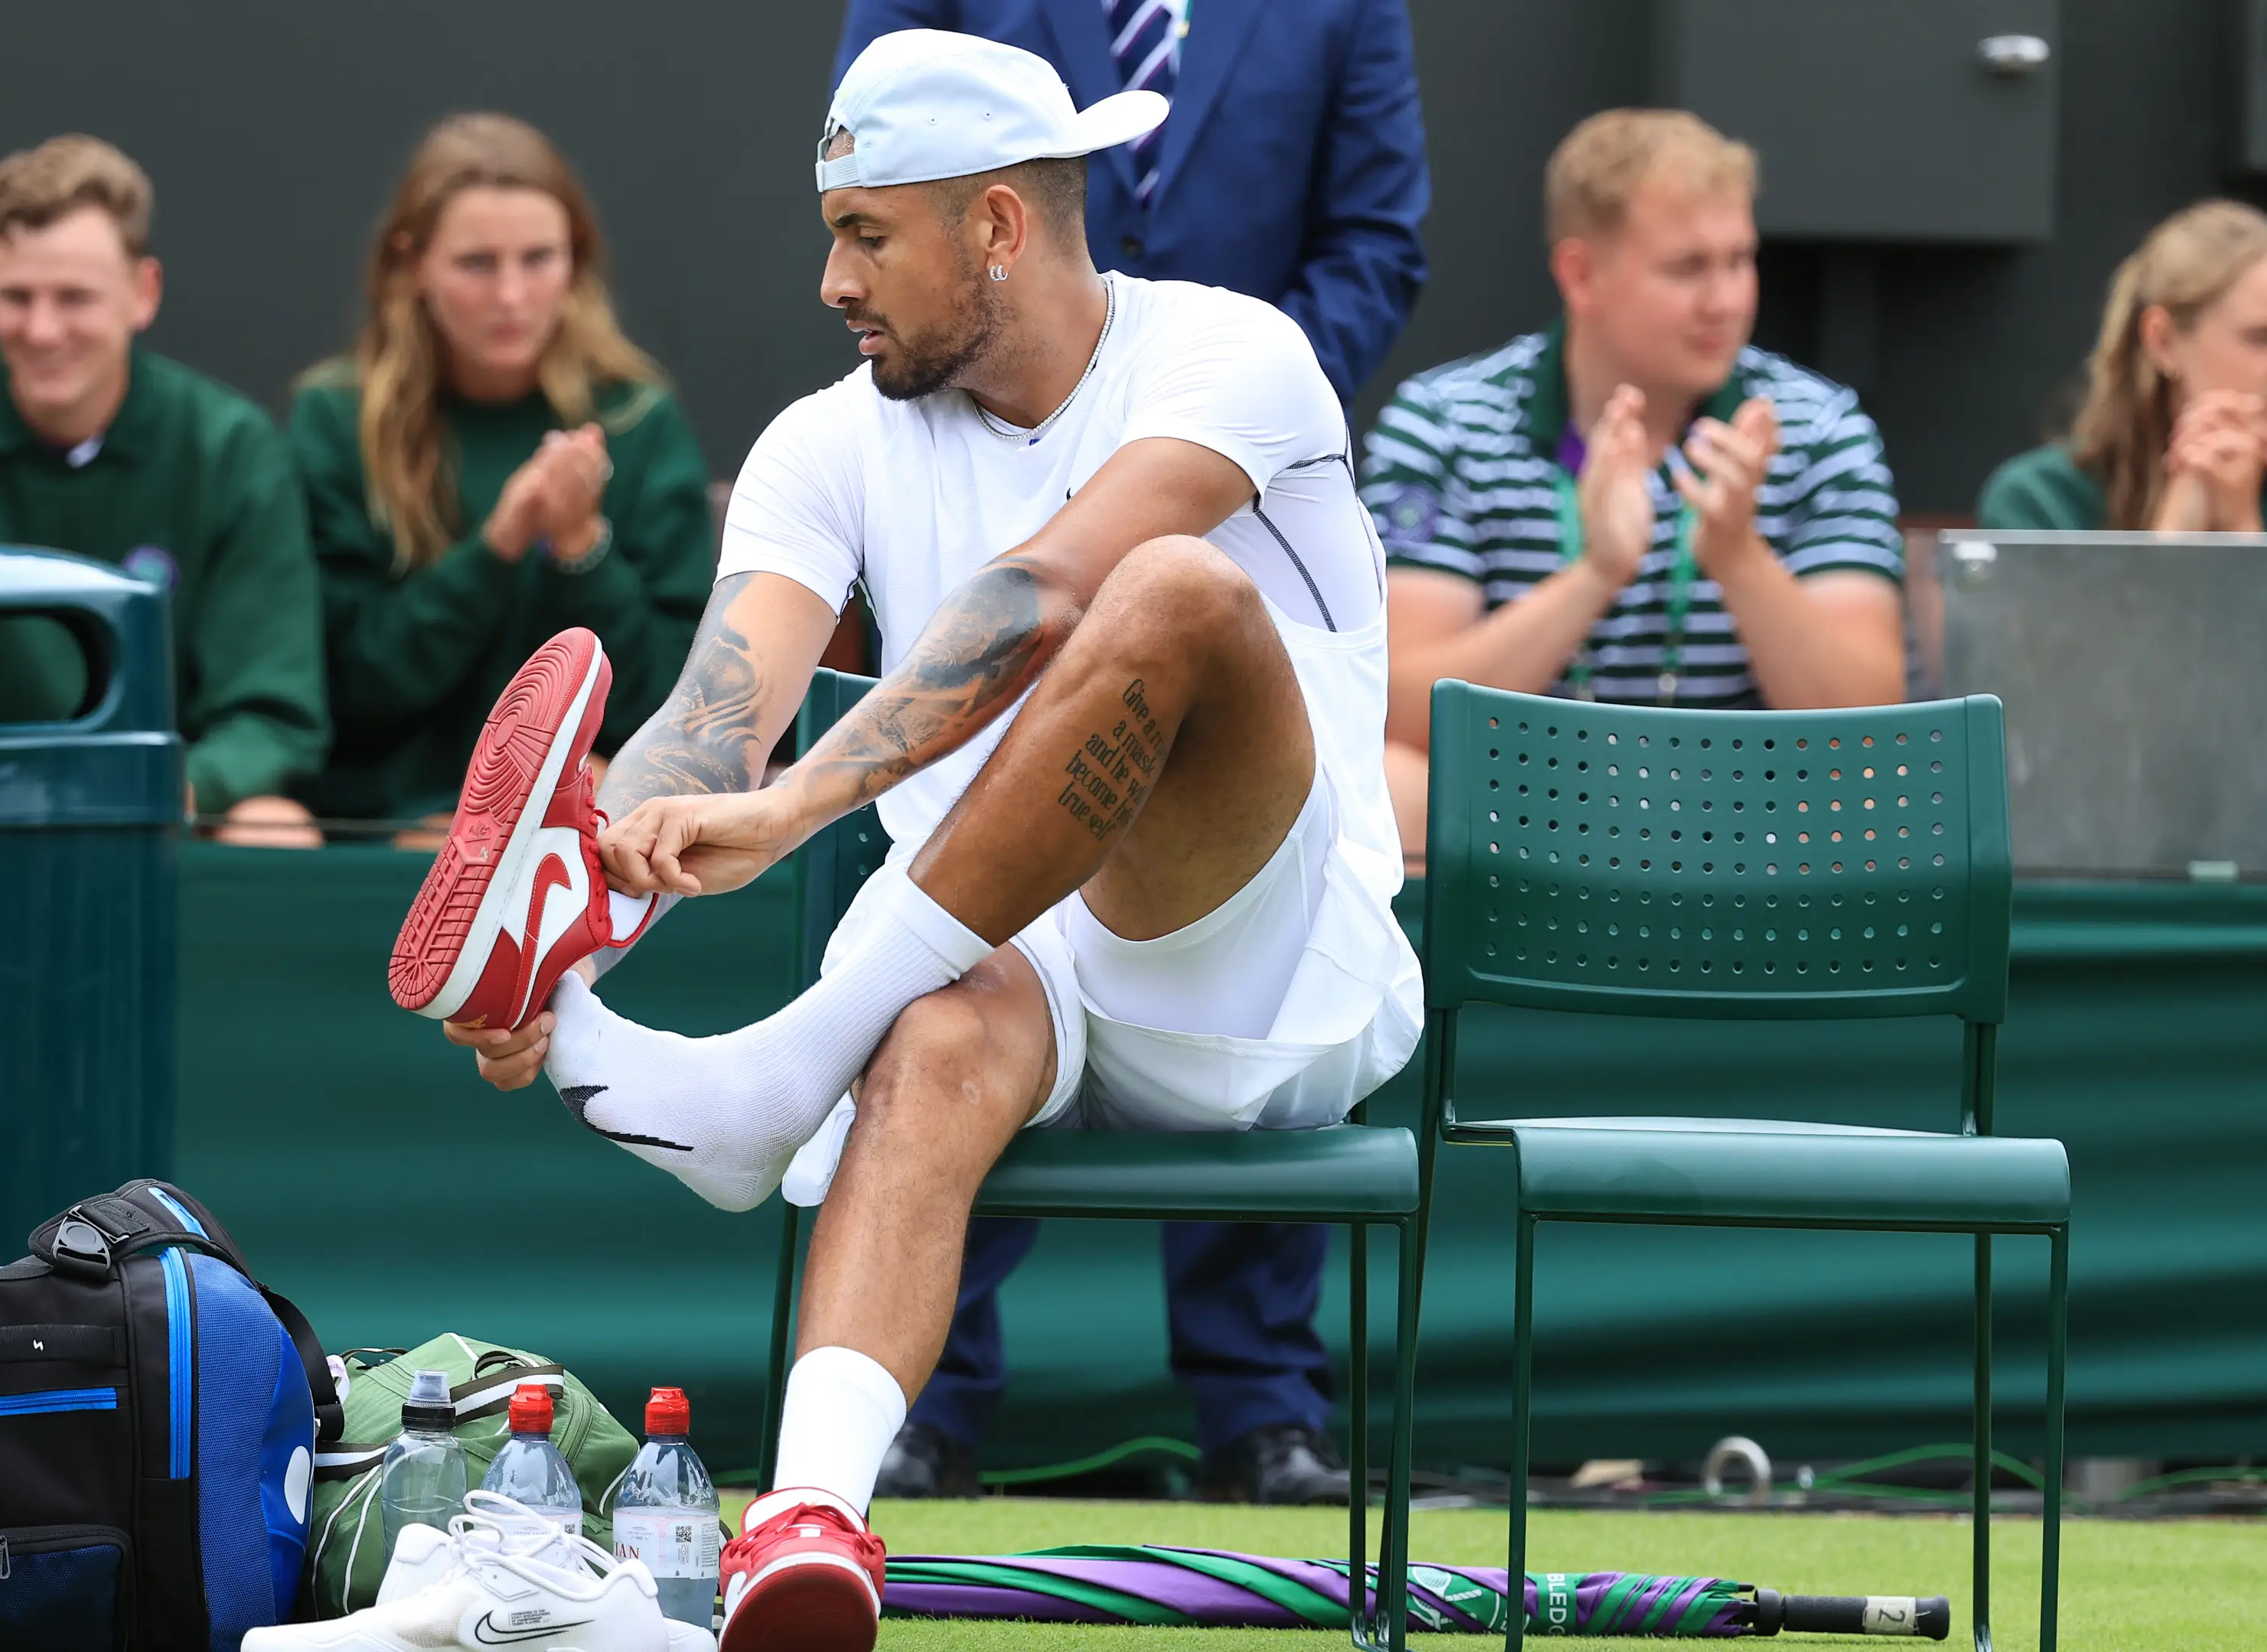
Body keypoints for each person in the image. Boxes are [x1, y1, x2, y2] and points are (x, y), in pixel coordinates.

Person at [405, 32, 1420, 1651]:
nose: (830, 278)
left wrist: (800, 803)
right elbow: (714, 727)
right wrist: (564, 930)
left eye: (869, 233)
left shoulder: (1238, 357)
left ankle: (781, 1063)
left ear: (1001, 226)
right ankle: (807, 1522)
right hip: (1003, 970)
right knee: (938, 1033)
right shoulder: (825, 443)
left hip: (1263, 971)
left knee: (1174, 590)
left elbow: (1053, 592)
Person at [833, 0, 1429, 1509]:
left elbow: (1372, 239)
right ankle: (915, 1400)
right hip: (1000, 449)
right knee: (967, 969)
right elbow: (884, 187)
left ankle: (1264, 1403)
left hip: (1229, 485)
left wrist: (1201, 423)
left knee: (1248, 923)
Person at [1363, 109, 1907, 862]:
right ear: (1582, 274)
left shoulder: (1817, 427)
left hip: (1758, 821)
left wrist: (1740, 559)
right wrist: (1595, 574)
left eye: (1740, 260)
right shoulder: (1446, 423)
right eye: (1688, 268)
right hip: (1520, 817)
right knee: (1389, 786)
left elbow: (1872, 730)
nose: (1726, 301)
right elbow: (1398, 710)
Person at [0, 135, 327, 845]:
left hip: (161, 812)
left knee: (274, 829)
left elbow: (272, 713)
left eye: (74, 298)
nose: (42, 329)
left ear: (144, 292)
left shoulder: (229, 449)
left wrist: (166, 788)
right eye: (15, 297)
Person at [287, 114, 715, 836]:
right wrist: (497, 548)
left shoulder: (637, 420)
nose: (512, 296)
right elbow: (349, 691)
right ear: (410, 263)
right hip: (393, 819)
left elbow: (673, 704)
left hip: (590, 815)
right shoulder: (337, 420)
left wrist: (582, 546)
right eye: (477, 264)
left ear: (575, 261)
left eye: (539, 258)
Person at [1977, 200, 2267, 875]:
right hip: (2074, 851)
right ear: (2163, 342)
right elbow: (2072, 753)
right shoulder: (2037, 502)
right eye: (2266, 338)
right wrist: (2176, 533)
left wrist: (2246, 543)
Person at [833, 0, 1427, 401]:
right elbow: (876, 177)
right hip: (987, 451)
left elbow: (1371, 240)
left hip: (1253, 485)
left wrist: (1241, 409)